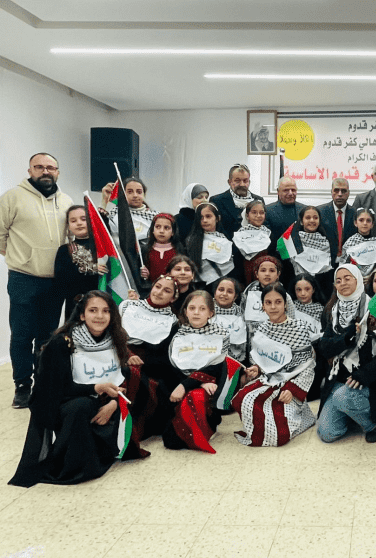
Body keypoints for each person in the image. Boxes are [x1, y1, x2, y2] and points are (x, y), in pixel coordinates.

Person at [9, 291, 156, 487]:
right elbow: (56, 389)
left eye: (105, 311)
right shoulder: (62, 343)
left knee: (143, 384)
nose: (99, 316)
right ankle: (76, 464)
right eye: (93, 310)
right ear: (81, 315)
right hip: (65, 402)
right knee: (81, 406)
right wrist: (97, 388)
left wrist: (114, 403)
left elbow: (120, 378)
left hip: (104, 398)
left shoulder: (116, 338)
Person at [0, 152, 73, 408]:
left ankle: (43, 384)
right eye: (39, 167)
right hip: (23, 279)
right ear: (30, 170)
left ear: (57, 172)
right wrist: (21, 257)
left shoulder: (66, 201)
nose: (45, 171)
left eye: (50, 167)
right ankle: (22, 386)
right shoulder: (12, 197)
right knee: (22, 336)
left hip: (54, 281)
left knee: (48, 337)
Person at [317, 265, 376, 443]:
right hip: (340, 379)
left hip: (369, 381)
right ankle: (352, 411)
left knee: (342, 397)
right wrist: (346, 338)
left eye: (347, 278)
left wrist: (365, 374)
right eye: (338, 280)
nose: (343, 283)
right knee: (327, 433)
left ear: (358, 280)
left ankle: (373, 424)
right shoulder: (334, 310)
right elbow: (324, 348)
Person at [232, 283, 316, 446]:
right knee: (243, 398)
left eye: (278, 302)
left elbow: (308, 366)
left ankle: (300, 419)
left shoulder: (298, 328)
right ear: (263, 306)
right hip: (269, 380)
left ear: (285, 304)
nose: (273, 307)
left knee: (279, 428)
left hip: (291, 385)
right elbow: (262, 360)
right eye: (268, 302)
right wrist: (257, 368)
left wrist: (291, 389)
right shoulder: (262, 329)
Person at [162, 291, 229, 453]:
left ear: (210, 313)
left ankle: (208, 425)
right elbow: (174, 366)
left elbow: (216, 366)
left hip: (209, 385)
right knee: (171, 440)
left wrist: (191, 384)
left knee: (196, 398)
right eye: (192, 308)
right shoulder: (177, 334)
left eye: (202, 309)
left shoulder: (221, 334)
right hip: (181, 383)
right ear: (186, 311)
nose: (196, 312)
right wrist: (193, 382)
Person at [54, 205, 104, 321]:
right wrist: (91, 269)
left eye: (83, 219)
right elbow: (60, 281)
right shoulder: (65, 250)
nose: (79, 223)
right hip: (76, 306)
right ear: (68, 226)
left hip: (103, 304)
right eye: (73, 221)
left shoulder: (102, 247)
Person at [184, 202, 235, 289]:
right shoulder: (190, 241)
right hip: (197, 286)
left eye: (208, 216)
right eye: (201, 217)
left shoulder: (226, 242)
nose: (204, 220)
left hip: (221, 286)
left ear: (217, 218)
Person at [292, 273, 326, 400]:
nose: (303, 293)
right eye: (299, 290)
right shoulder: (290, 308)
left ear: (314, 290)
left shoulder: (322, 310)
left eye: (307, 289)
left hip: (316, 351)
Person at [287, 205, 334, 297]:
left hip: (320, 289)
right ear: (301, 221)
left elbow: (327, 272)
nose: (312, 220)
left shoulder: (327, 242)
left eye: (315, 218)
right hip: (296, 288)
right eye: (308, 218)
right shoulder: (293, 241)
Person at [210, 164, 264, 240]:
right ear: (229, 182)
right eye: (237, 181)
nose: (242, 184)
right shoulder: (217, 201)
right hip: (226, 245)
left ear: (249, 182)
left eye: (245, 181)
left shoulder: (258, 200)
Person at [104, 177, 159, 242]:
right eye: (130, 192)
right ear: (123, 194)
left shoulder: (156, 217)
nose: (135, 195)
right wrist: (104, 201)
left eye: (139, 192)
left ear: (144, 194)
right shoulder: (114, 214)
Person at [339, 208, 376, 277]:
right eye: (361, 220)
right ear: (355, 223)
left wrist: (372, 277)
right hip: (354, 278)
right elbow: (342, 265)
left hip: (373, 279)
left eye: (368, 220)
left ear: (372, 224)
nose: (365, 223)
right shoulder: (349, 243)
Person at [318, 178, 356, 265]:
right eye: (336, 190)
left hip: (348, 264)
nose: (340, 194)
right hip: (325, 263)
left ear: (348, 193)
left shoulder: (356, 214)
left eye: (343, 191)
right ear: (331, 192)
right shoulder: (320, 212)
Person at [233, 199, 271, 284]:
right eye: (254, 212)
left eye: (261, 213)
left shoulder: (269, 234)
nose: (258, 215)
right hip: (244, 276)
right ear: (247, 216)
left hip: (266, 276)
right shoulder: (240, 235)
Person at [212, 277, 247, 363]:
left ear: (235, 297)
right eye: (221, 290)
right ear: (215, 293)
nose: (224, 294)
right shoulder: (205, 310)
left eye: (230, 291)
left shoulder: (242, 315)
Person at [141, 213, 184, 282]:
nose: (161, 231)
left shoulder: (179, 249)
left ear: (173, 232)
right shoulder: (145, 250)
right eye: (158, 227)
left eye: (166, 228)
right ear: (153, 230)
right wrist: (145, 274)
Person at [265, 176, 306, 249]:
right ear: (278, 191)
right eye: (286, 190)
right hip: (275, 254)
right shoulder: (267, 211)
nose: (290, 193)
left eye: (293, 190)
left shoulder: (305, 210)